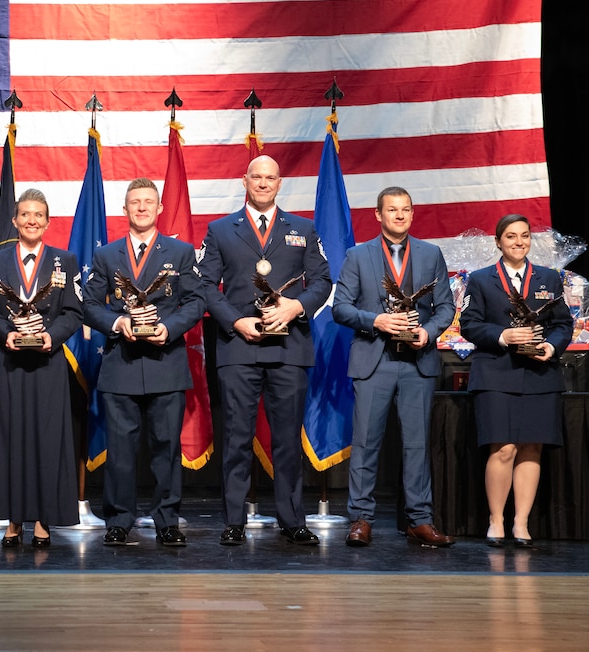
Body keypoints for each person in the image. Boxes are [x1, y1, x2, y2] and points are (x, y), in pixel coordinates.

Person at [198, 154, 331, 546]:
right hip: (239, 345)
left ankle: (291, 520)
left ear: (279, 183)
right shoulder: (221, 230)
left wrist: (296, 306)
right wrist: (236, 322)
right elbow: (205, 285)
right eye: (256, 177)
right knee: (237, 436)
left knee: (288, 438)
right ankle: (234, 520)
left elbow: (322, 280)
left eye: (270, 177)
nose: (263, 183)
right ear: (244, 180)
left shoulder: (303, 229)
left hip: (289, 346)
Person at [82, 177, 205, 547]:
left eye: (147, 202)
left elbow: (197, 303)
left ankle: (167, 519)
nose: (141, 208)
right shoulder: (106, 255)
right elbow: (88, 305)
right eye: (134, 202)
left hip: (165, 361)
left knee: (167, 447)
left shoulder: (181, 252)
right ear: (125, 209)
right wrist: (118, 323)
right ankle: (119, 520)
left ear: (159, 208)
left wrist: (167, 329)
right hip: (121, 362)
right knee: (120, 449)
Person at [332, 187, 456, 547]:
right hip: (375, 360)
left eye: (405, 210)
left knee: (417, 445)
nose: (399, 216)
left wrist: (427, 333)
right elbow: (341, 308)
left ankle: (419, 520)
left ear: (412, 214)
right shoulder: (358, 255)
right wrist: (377, 321)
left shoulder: (431, 254)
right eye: (392, 210)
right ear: (378, 215)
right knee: (366, 444)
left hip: (417, 363)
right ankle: (361, 519)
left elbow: (446, 307)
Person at [460, 214, 572, 548]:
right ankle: (497, 521)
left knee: (531, 448)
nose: (519, 242)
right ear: (498, 242)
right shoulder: (480, 280)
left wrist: (551, 345)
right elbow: (469, 324)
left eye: (524, 236)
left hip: (540, 373)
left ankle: (521, 524)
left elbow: (563, 324)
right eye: (511, 236)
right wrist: (504, 335)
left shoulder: (550, 278)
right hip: (496, 372)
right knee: (504, 447)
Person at [0, 189, 82, 548]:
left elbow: (73, 312)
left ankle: (42, 518)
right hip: (8, 362)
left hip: (47, 362)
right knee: (10, 438)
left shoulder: (64, 260)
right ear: (15, 220)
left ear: (48, 221)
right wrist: (7, 334)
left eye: (39, 214)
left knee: (46, 439)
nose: (32, 220)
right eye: (25, 214)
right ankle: (13, 519)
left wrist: (49, 337)